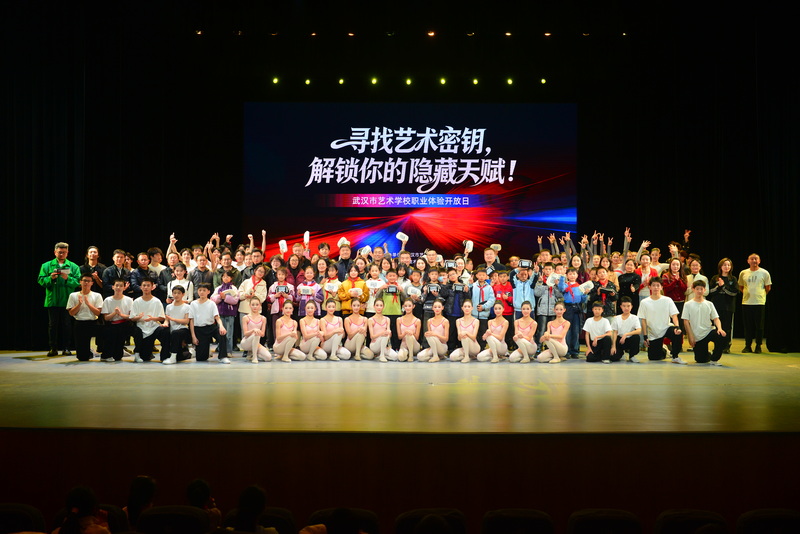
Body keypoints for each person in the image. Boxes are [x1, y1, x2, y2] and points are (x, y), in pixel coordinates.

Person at [38, 241, 81, 356]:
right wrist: (50, 278)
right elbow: (41, 280)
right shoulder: (46, 265)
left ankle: (66, 348)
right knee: (52, 325)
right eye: (59, 252)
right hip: (53, 300)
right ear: (55, 252)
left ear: (67, 253)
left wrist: (67, 278)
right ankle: (53, 348)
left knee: (67, 325)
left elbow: (78, 282)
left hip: (67, 300)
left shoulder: (73, 266)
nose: (62, 254)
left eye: (64, 252)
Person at [638, 277, 686, 364]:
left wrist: (677, 327)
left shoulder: (667, 300)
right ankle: (664, 350)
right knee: (654, 358)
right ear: (650, 287)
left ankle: (675, 356)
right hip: (654, 333)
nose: (656, 287)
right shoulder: (644, 302)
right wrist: (645, 336)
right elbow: (643, 320)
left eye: (658, 285)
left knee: (678, 333)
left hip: (667, 328)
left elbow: (674, 315)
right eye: (653, 285)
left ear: (661, 287)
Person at [682, 280, 727, 365]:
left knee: (721, 336)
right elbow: (686, 321)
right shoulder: (688, 304)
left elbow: (716, 318)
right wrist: (690, 336)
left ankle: (714, 359)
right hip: (697, 336)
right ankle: (707, 354)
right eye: (697, 289)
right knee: (701, 360)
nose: (699, 291)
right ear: (693, 289)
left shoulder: (709, 304)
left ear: (704, 290)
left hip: (709, 331)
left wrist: (720, 329)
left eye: (701, 289)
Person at [738, 253, 772, 353]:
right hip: (746, 302)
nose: (754, 261)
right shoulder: (743, 273)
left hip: (759, 302)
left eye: (756, 259)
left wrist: (760, 295)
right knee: (747, 326)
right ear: (748, 261)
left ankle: (758, 345)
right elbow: (741, 286)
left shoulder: (764, 273)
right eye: (752, 259)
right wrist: (747, 294)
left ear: (759, 261)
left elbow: (768, 287)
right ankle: (747, 345)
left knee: (759, 326)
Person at [66, 273, 104, 361]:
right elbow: (71, 313)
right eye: (84, 281)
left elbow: (98, 313)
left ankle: (100, 350)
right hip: (79, 322)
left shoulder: (97, 295)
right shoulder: (73, 295)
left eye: (89, 281)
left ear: (92, 283)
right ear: (80, 282)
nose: (86, 283)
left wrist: (88, 304)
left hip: (93, 322)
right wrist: (79, 304)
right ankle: (88, 352)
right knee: (82, 357)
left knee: (105, 332)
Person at [189, 283, 229, 363]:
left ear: (208, 292)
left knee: (222, 334)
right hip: (199, 329)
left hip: (211, 327)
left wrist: (221, 326)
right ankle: (205, 351)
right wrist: (193, 336)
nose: (202, 292)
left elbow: (217, 317)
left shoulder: (211, 303)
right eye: (200, 290)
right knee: (201, 358)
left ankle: (223, 356)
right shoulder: (193, 304)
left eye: (204, 290)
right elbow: (191, 320)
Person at [129, 279, 167, 362]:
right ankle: (138, 354)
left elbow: (162, 317)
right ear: (141, 287)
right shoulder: (136, 301)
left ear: (152, 287)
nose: (146, 287)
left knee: (164, 331)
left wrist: (152, 318)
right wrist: (138, 317)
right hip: (141, 327)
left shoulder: (157, 301)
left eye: (148, 285)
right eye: (144, 285)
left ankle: (165, 356)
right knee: (145, 357)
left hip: (154, 327)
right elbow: (132, 318)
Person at [708, 257, 738, 353]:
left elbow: (734, 292)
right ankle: (718, 345)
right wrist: (719, 287)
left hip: (728, 307)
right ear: (720, 266)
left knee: (727, 327)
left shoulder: (733, 279)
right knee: (717, 327)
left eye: (728, 265)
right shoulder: (715, 278)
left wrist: (723, 286)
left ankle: (726, 346)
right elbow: (710, 291)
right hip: (717, 306)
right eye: (724, 265)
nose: (726, 267)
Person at [100, 279, 134, 361]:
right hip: (111, 324)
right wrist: (114, 313)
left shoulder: (129, 300)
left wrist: (121, 315)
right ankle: (106, 355)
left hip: (124, 324)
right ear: (113, 287)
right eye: (117, 285)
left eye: (121, 286)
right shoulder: (107, 300)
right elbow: (106, 318)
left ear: (124, 288)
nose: (118, 288)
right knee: (109, 333)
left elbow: (131, 316)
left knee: (118, 357)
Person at [161, 285, 193, 365]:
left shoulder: (187, 307)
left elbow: (186, 321)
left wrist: (173, 319)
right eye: (174, 293)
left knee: (175, 333)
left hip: (183, 330)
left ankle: (173, 357)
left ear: (183, 294)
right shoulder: (169, 307)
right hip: (173, 330)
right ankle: (168, 354)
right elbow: (167, 320)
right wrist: (165, 323)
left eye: (178, 293)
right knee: (165, 331)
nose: (176, 295)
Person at [210, 270, 239, 355]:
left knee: (229, 333)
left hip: (230, 313)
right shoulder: (218, 288)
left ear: (231, 278)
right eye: (224, 276)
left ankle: (229, 351)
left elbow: (236, 300)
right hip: (220, 313)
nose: (225, 278)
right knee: (221, 332)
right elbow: (212, 299)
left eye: (227, 277)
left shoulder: (234, 288)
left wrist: (225, 297)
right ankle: (221, 350)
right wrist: (220, 297)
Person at [239, 297, 271, 363]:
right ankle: (254, 357)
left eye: (257, 304)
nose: (255, 307)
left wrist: (257, 331)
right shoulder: (246, 317)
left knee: (268, 358)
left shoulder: (263, 318)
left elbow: (262, 334)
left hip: (256, 341)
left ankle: (252, 353)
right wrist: (253, 330)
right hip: (246, 342)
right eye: (253, 305)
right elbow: (245, 333)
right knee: (256, 334)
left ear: (260, 305)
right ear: (249, 305)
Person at [611, 297, 642, 362]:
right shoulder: (616, 318)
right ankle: (621, 354)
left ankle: (632, 356)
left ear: (631, 307)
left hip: (629, 339)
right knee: (613, 358)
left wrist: (626, 334)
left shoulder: (634, 318)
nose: (626, 308)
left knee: (636, 337)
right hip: (619, 340)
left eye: (628, 306)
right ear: (621, 307)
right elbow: (615, 332)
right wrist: (613, 346)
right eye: (624, 306)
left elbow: (639, 330)